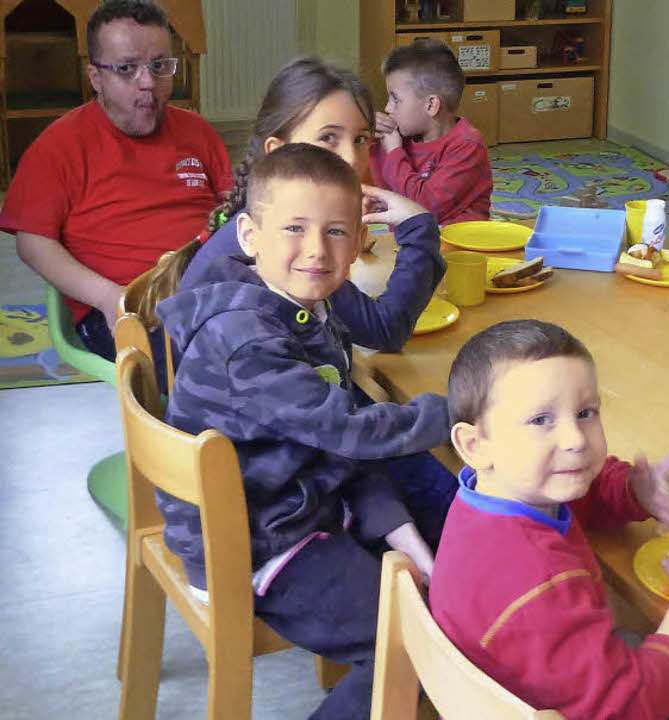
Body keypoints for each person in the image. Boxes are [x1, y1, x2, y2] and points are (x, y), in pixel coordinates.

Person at [156, 144, 451, 720]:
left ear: (360, 241)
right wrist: (464, 408)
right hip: (255, 542)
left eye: (338, 231)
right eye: (294, 228)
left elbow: (341, 452)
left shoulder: (303, 312)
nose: (317, 250)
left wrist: (410, 544)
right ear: (249, 236)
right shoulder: (248, 342)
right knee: (413, 644)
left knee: (443, 573)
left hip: (298, 502)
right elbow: (350, 432)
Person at [430, 319, 669, 719]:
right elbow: (630, 706)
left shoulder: (493, 493)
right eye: (541, 420)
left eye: (585, 412)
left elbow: (585, 493)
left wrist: (634, 491)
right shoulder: (540, 585)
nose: (576, 439)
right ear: (474, 445)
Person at [0, 0, 231, 360]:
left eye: (160, 66)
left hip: (217, 292)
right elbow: (33, 243)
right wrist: (110, 297)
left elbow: (232, 211)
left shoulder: (197, 131)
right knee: (218, 359)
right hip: (128, 308)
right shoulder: (58, 146)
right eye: (126, 68)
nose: (148, 83)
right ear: (96, 78)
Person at [180, 58, 440, 354]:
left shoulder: (274, 223)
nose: (352, 159)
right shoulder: (281, 247)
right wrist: (418, 227)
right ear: (277, 151)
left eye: (360, 139)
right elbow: (384, 329)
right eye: (328, 138)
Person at [370, 38, 492, 225]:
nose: (387, 108)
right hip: (415, 244)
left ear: (431, 105)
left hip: (460, 248)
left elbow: (423, 210)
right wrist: (362, 127)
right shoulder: (402, 136)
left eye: (395, 100)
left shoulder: (467, 145)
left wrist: (394, 152)